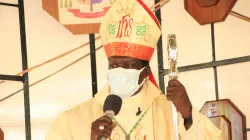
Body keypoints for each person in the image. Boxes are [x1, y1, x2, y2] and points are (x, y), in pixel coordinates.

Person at [46, 0, 222, 139]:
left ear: (145, 72)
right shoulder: (72, 121)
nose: (119, 71)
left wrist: (188, 114)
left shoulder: (169, 114)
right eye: (114, 65)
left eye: (128, 65)